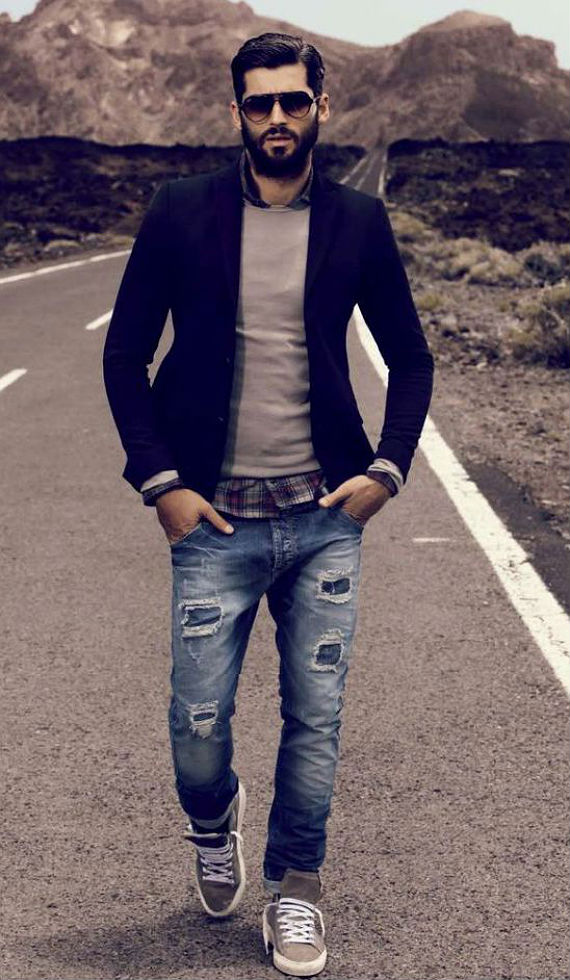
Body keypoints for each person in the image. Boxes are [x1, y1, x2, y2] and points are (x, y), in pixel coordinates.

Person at [102, 31, 434, 978]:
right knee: (198, 728)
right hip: (214, 521)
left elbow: (410, 358)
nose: (277, 118)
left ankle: (297, 886)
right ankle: (215, 823)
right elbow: (124, 356)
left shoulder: (359, 222)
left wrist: (388, 469)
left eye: (293, 100)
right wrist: (162, 484)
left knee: (315, 717)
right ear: (238, 112)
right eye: (260, 103)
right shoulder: (181, 211)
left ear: (321, 106)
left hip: (325, 517)